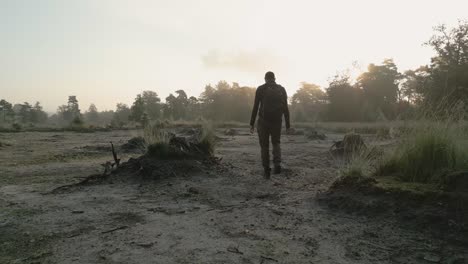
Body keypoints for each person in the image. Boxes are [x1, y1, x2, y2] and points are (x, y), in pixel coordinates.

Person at [250, 71, 291, 179]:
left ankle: (266, 170)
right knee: (276, 143)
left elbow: (255, 107)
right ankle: (277, 165)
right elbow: (286, 108)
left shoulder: (261, 89)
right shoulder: (281, 89)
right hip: (277, 121)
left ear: (265, 79)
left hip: (263, 122)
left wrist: (251, 123)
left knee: (264, 146)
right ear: (274, 78)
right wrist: (288, 125)